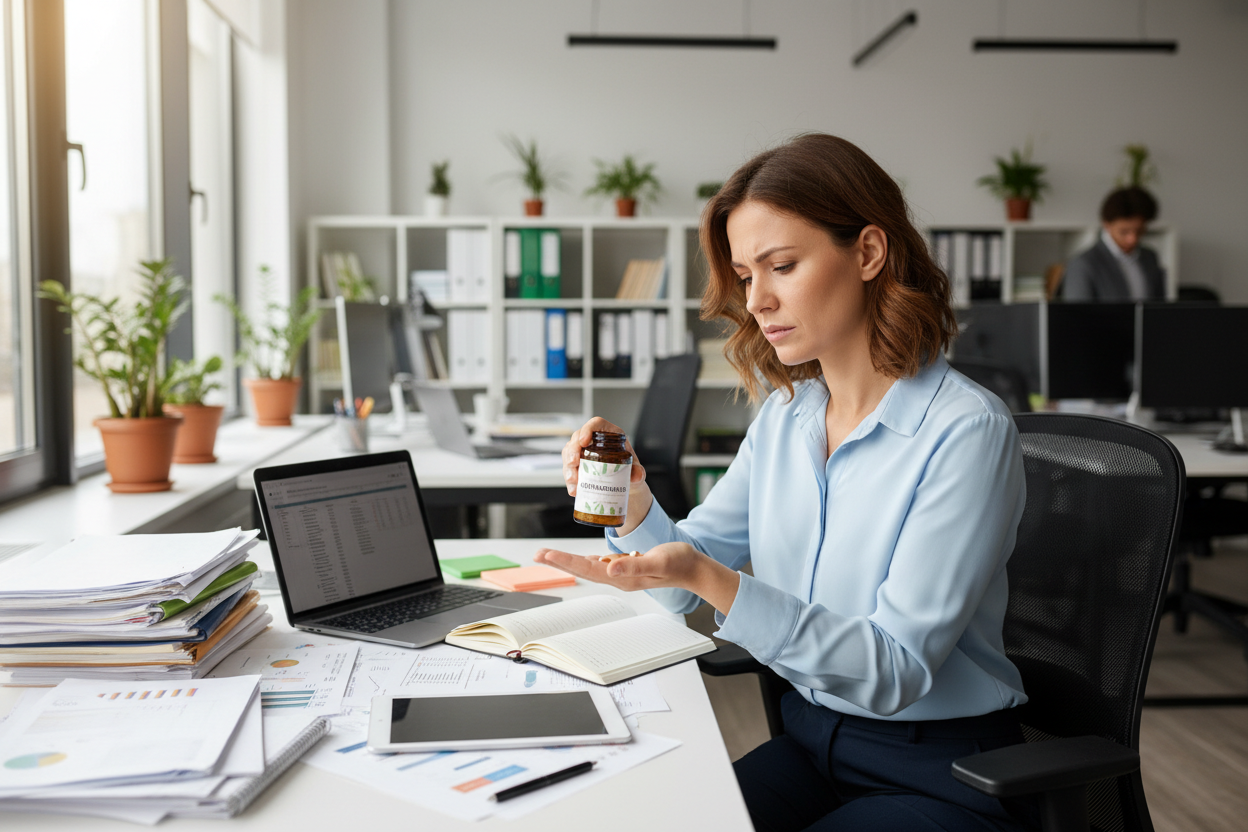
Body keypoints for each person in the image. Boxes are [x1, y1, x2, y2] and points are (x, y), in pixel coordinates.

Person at [535, 133, 1036, 832]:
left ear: (867, 252)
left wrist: (717, 581)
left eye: (783, 265)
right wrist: (634, 503)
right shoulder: (788, 416)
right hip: (811, 742)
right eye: (746, 274)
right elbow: (682, 583)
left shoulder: (965, 431)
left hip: (943, 770)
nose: (759, 300)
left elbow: (892, 670)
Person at [1062, 186, 1165, 301]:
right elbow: (1076, 315)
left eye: (1139, 231)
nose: (1132, 239)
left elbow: (1159, 306)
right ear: (1107, 225)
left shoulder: (1149, 257)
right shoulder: (1083, 264)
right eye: (1124, 232)